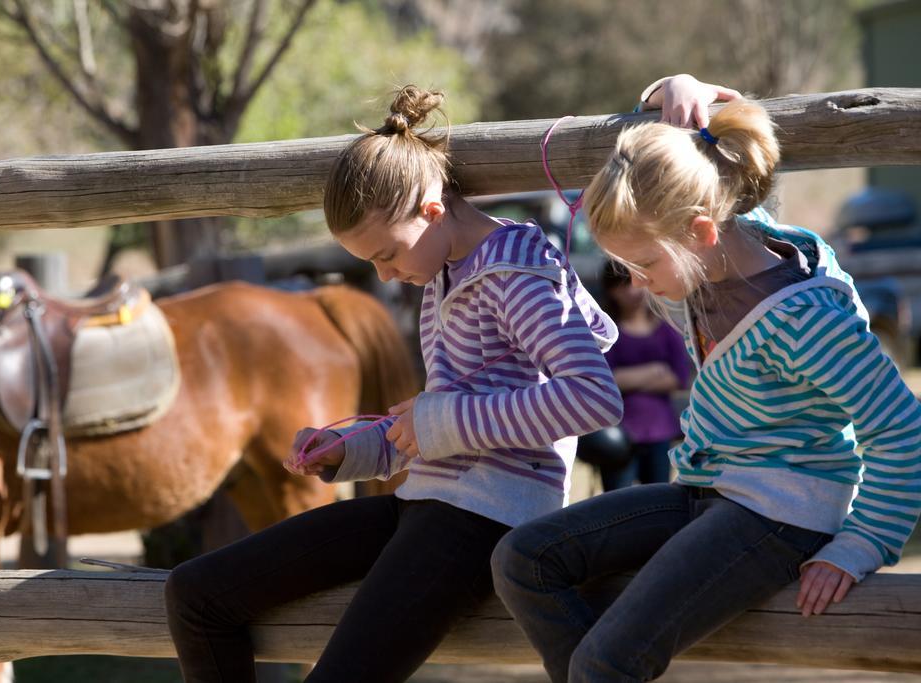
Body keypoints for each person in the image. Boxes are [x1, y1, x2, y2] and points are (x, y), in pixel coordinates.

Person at [163, 80, 647, 682]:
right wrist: (354, 450)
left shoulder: (515, 275)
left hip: (484, 521)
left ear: (433, 210)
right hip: (421, 503)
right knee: (195, 595)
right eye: (373, 263)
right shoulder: (441, 272)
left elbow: (593, 397)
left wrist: (436, 421)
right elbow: (438, 424)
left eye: (386, 254)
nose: (386, 275)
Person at [491, 85, 921, 683]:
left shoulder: (807, 321)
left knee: (604, 662)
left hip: (782, 517)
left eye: (645, 264)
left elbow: (902, 430)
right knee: (523, 560)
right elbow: (709, 158)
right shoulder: (713, 248)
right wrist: (674, 89)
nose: (639, 284)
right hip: (707, 490)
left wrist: (860, 545)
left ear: (701, 232)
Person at [596, 261, 689, 491]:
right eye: (622, 285)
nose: (632, 290)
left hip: (660, 432)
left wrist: (626, 380)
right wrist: (654, 370)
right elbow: (602, 380)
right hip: (617, 435)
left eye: (637, 282)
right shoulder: (605, 335)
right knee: (616, 507)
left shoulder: (667, 330)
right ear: (610, 289)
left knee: (658, 505)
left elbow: (680, 377)